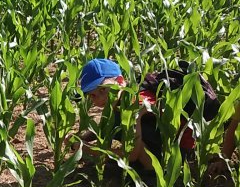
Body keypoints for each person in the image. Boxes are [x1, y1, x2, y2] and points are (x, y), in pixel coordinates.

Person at [70, 58, 212, 172]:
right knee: (117, 122)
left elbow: (131, 154)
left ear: (120, 81)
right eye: (93, 95)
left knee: (122, 124)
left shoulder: (135, 105)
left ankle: (152, 173)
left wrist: (86, 148)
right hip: (166, 141)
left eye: (103, 90)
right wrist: (80, 138)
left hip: (178, 152)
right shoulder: (120, 99)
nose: (100, 98)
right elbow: (105, 125)